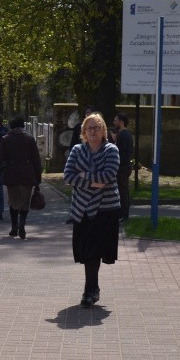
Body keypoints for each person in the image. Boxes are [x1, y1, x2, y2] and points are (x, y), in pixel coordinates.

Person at [63, 112, 121, 308]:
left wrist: (83, 175)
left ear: (103, 130)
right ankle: (93, 289)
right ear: (84, 132)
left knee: (94, 250)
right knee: (86, 251)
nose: (93, 131)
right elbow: (68, 176)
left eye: (97, 127)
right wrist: (92, 180)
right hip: (82, 209)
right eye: (90, 128)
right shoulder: (77, 150)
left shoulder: (111, 150)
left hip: (105, 210)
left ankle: (90, 291)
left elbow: (107, 176)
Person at [0, 116, 42, 239]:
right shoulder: (30, 139)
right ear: (23, 127)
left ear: (11, 126)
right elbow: (36, 160)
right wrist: (38, 178)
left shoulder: (6, 139)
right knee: (25, 201)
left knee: (13, 201)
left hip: (11, 174)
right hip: (27, 174)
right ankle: (22, 223)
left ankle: (14, 227)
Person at [113, 112, 133, 220]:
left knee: (123, 191)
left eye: (116, 120)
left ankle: (124, 214)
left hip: (123, 167)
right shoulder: (120, 134)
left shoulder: (125, 135)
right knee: (121, 190)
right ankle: (121, 213)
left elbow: (122, 153)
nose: (114, 122)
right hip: (121, 167)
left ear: (121, 122)